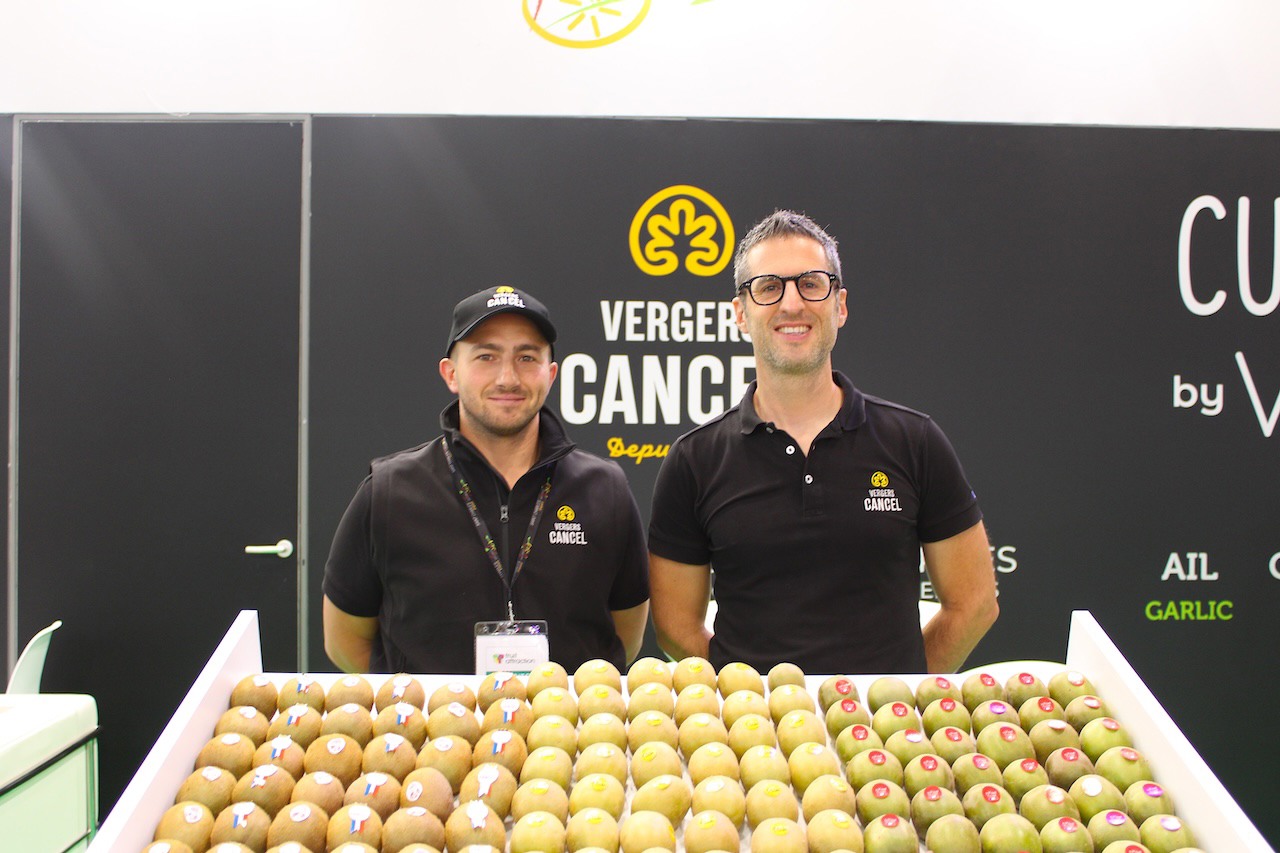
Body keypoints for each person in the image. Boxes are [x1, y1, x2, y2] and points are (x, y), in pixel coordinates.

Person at [648, 210, 998, 674]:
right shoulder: (694, 460)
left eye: (811, 284)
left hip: (882, 722)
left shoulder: (915, 442)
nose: (792, 304)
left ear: (840, 306)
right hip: (752, 721)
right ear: (740, 314)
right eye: (768, 287)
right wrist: (744, 696)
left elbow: (974, 603)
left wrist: (900, 690)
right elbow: (674, 626)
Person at [323, 285, 650, 674]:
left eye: (526, 357)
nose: (507, 378)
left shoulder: (604, 489)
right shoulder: (390, 491)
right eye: (486, 356)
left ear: (550, 374)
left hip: (565, 715)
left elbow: (626, 634)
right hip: (432, 716)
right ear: (451, 373)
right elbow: (344, 640)